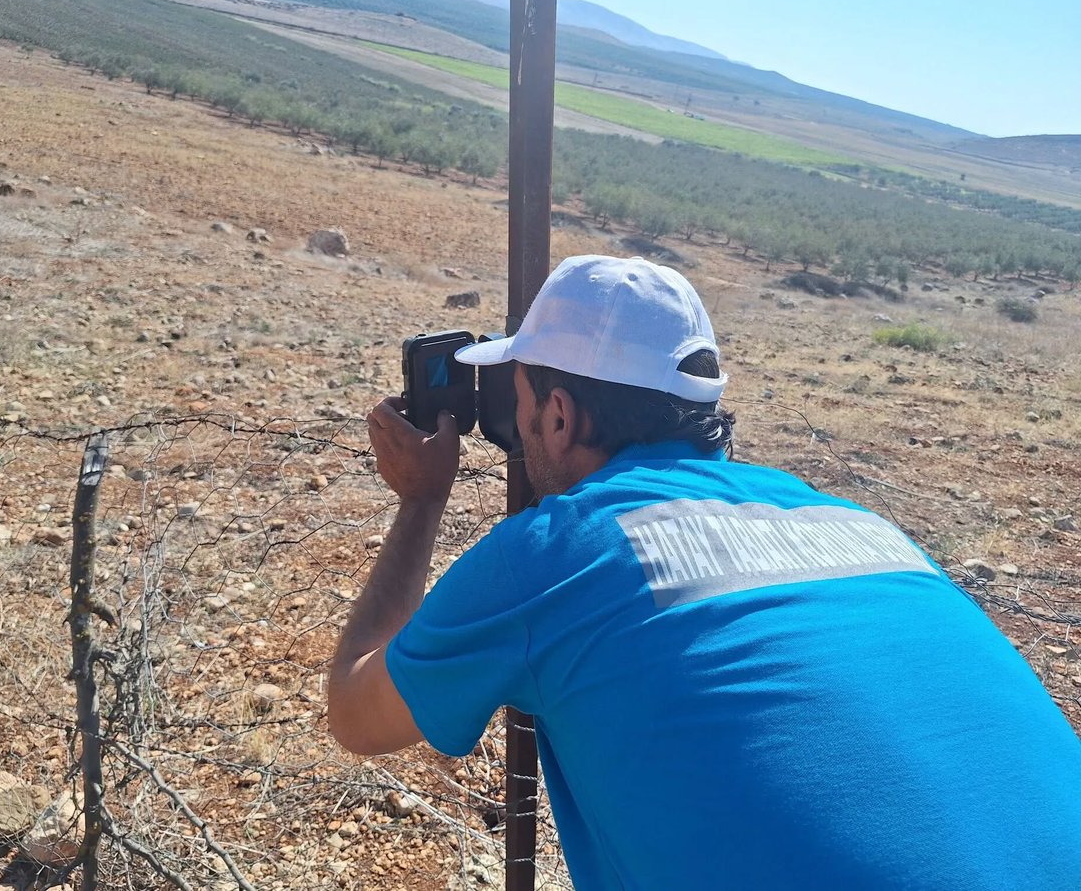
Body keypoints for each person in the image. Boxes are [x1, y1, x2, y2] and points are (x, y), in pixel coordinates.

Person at [328, 255, 1081, 890]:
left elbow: (357, 715)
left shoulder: (558, 550)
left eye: (518, 400)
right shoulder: (859, 525)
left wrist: (423, 500)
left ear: (558, 416)